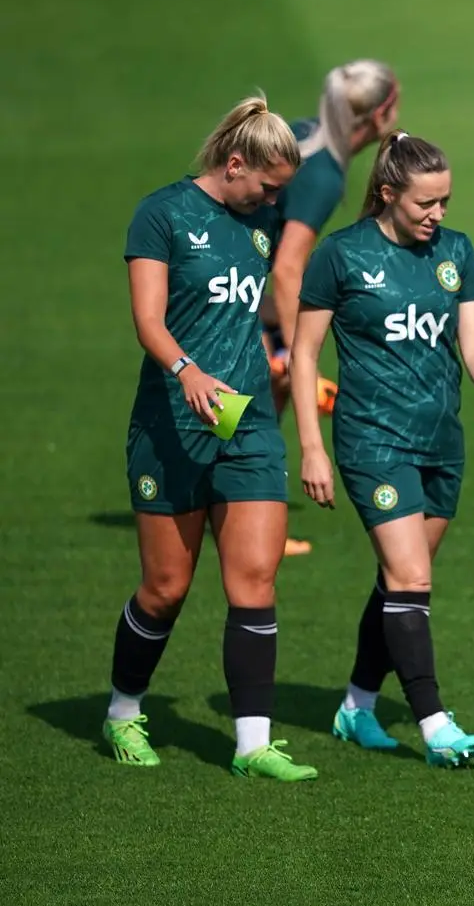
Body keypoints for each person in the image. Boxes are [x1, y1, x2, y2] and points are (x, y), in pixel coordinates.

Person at [104, 94, 318, 782]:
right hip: (171, 422)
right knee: (166, 588)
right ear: (234, 164)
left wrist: (288, 362)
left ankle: (251, 743)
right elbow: (149, 320)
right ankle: (123, 712)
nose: (273, 200)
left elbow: (253, 310)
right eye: (267, 186)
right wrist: (188, 372)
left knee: (254, 579)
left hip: (246, 423)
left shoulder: (258, 226)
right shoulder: (161, 215)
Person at [290, 130, 474, 768]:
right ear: (388, 194)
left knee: (397, 583)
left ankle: (357, 705)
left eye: (444, 201)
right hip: (372, 441)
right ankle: (435, 722)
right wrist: (311, 447)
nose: (437, 215)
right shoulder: (341, 257)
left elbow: (473, 337)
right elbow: (304, 355)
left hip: (441, 443)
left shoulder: (457, 253)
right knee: (413, 579)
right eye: (425, 204)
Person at [261, 58, 401, 557]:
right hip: (241, 302)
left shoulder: (306, 136)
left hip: (236, 291)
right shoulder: (323, 175)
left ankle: (248, 522)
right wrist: (302, 356)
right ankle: (241, 524)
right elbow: (286, 268)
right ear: (378, 115)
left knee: (258, 409)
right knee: (252, 410)